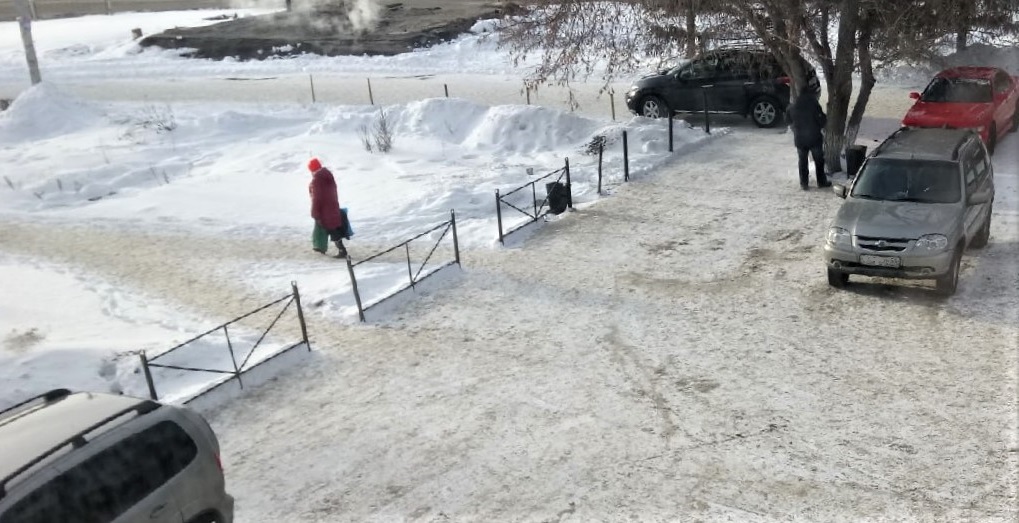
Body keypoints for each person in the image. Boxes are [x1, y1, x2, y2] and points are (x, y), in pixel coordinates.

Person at [787, 85, 831, 190]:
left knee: (802, 160)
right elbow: (822, 121)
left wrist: (795, 127)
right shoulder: (814, 105)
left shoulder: (793, 106)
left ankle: (804, 183)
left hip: (800, 139)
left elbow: (788, 120)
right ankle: (821, 182)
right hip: (814, 138)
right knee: (819, 160)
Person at [307, 158, 348, 258]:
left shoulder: (317, 179)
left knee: (332, 230)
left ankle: (342, 250)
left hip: (325, 210)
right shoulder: (327, 175)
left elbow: (317, 198)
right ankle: (321, 247)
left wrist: (314, 212)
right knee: (332, 228)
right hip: (332, 206)